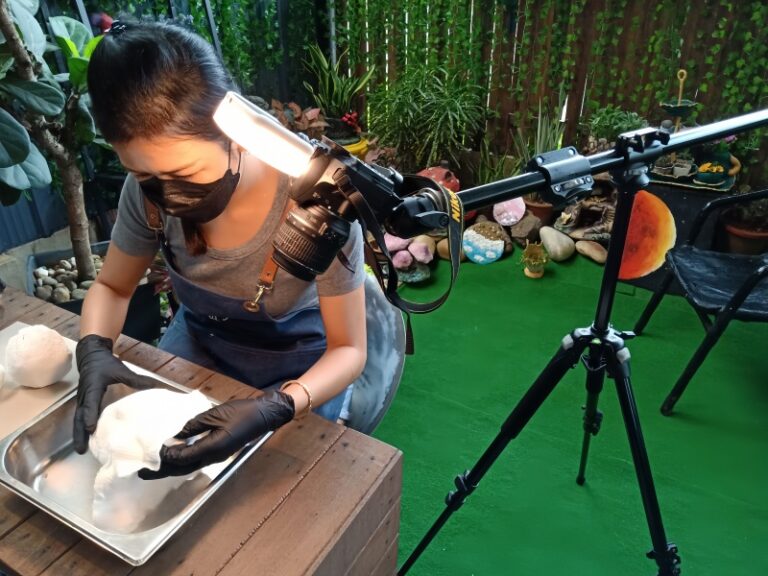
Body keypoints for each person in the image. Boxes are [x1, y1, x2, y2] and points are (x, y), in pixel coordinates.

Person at [75, 19, 367, 478]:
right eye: (145, 176)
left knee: (270, 487)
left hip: (302, 367)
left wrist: (280, 405)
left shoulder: (319, 202)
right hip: (202, 343)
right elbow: (112, 287)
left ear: (235, 132)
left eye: (186, 174)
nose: (167, 196)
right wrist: (94, 348)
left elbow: (349, 349)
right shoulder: (146, 197)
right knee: (149, 461)